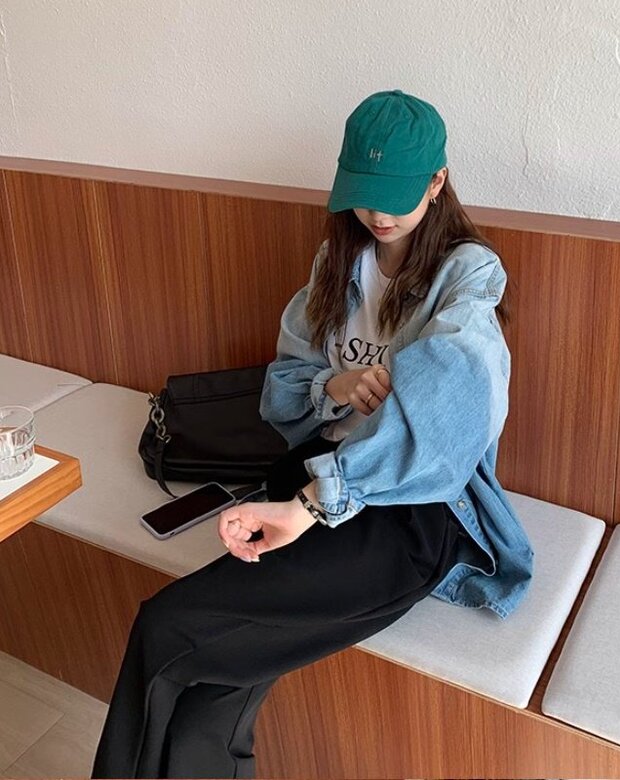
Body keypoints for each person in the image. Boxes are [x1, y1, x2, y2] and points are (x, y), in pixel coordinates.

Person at [91, 89, 534, 779]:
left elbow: (449, 420)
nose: (378, 214)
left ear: (437, 181)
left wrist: (309, 505)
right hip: (312, 475)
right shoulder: (339, 262)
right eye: (364, 195)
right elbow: (283, 389)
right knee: (212, 682)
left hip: (406, 512)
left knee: (167, 628)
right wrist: (333, 387)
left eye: (395, 195)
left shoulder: (467, 274)